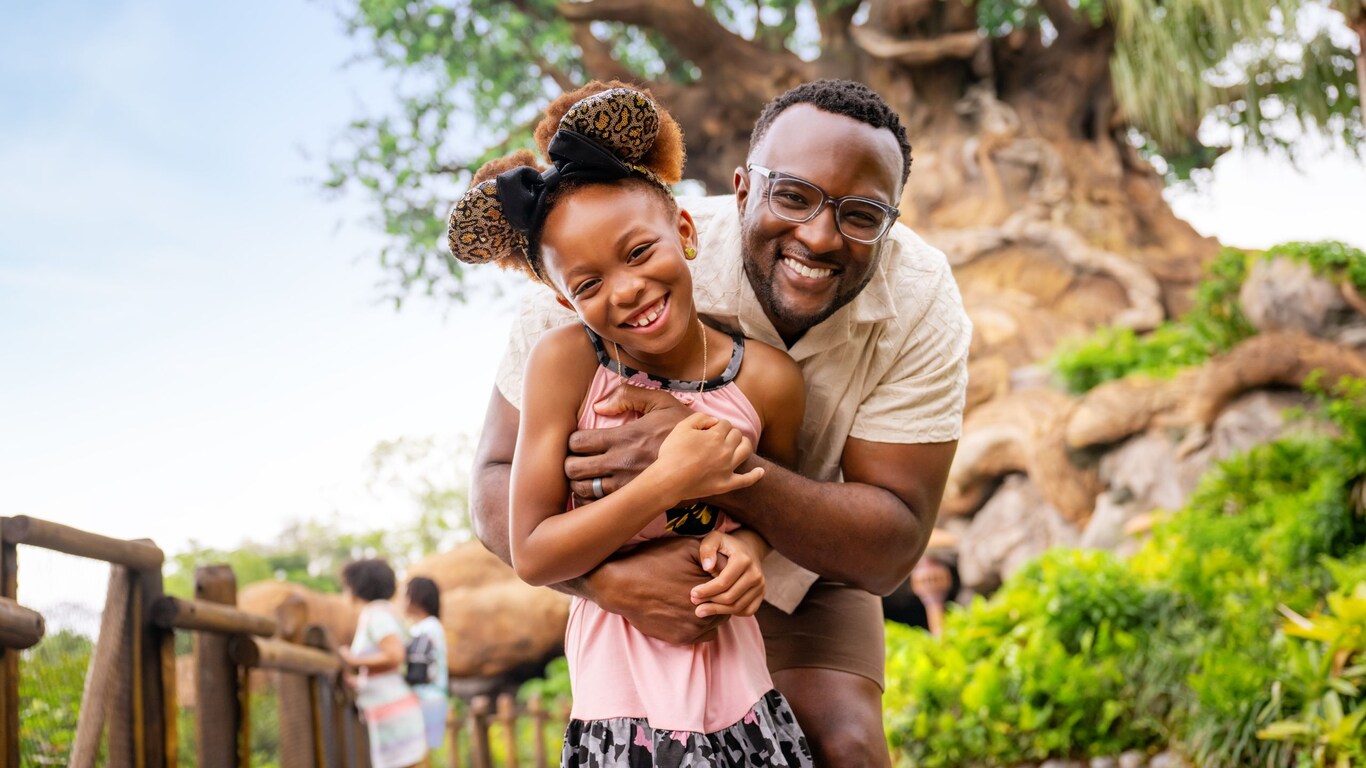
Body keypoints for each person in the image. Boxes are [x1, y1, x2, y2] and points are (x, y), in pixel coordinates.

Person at [471, 79, 971, 765]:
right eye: (791, 196)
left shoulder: (917, 300)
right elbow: (496, 486)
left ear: (891, 219)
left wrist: (703, 467)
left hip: (810, 551)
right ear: (741, 192)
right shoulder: (597, 265)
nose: (819, 235)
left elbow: (889, 545)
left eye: (861, 215)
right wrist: (608, 583)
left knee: (843, 744)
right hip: (625, 559)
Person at [448, 83, 814, 766]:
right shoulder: (564, 364)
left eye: (639, 252)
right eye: (587, 285)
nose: (624, 290)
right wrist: (666, 480)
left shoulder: (768, 381)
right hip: (622, 715)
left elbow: (776, 507)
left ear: (683, 230)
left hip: (741, 696)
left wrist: (754, 553)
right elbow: (532, 550)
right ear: (563, 299)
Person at [339, 559, 428, 768]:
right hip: (393, 710)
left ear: (355, 587)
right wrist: (358, 682)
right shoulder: (385, 611)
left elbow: (395, 655)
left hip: (393, 713)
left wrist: (352, 659)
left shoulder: (375, 614)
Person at [403, 576, 449, 753]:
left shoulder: (427, 627)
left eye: (405, 596)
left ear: (417, 598)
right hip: (433, 697)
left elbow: (417, 668)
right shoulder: (430, 626)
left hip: (427, 697)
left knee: (420, 753)